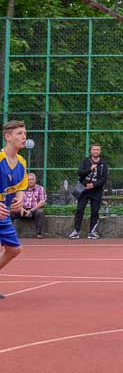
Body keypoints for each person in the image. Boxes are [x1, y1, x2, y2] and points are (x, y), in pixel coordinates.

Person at [0, 120, 29, 299]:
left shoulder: (21, 161)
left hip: (3, 215)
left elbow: (20, 186)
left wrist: (19, 199)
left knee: (14, 250)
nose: (24, 137)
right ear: (7, 137)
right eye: (19, 133)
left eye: (25, 133)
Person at [69, 144, 108, 239]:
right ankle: (76, 231)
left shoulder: (103, 164)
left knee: (95, 211)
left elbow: (104, 178)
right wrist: (89, 169)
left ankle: (92, 231)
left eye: (97, 150)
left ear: (100, 151)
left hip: (96, 191)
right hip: (84, 190)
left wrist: (94, 185)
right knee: (80, 210)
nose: (96, 151)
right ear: (91, 151)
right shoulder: (85, 161)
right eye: (94, 149)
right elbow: (79, 173)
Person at [10, 173, 47, 239]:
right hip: (21, 209)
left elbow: (42, 202)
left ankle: (38, 233)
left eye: (32, 179)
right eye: (28, 179)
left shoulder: (40, 189)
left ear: (35, 180)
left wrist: (31, 210)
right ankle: (8, 232)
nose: (30, 181)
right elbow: (14, 200)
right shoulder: (21, 189)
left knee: (40, 212)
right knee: (10, 212)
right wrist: (21, 208)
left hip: (34, 210)